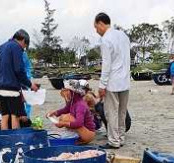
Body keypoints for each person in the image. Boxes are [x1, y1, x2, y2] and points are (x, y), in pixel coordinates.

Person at [94, 12, 131, 149]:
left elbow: (106, 65)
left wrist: (102, 85)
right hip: (125, 81)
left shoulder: (105, 40)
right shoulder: (123, 36)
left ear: (101, 23)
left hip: (113, 82)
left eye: (96, 27)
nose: (96, 30)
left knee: (111, 112)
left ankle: (114, 141)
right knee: (122, 111)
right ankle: (121, 138)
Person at [0, 29, 39, 130]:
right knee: (15, 115)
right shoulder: (16, 47)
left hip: (0, 86)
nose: (24, 48)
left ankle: (5, 140)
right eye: (25, 46)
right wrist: (30, 84)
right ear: (23, 40)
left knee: (5, 115)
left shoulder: (1, 47)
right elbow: (19, 70)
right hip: (11, 88)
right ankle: (16, 142)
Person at [47, 80, 96, 145]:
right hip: (83, 130)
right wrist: (54, 113)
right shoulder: (73, 101)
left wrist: (63, 123)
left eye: (67, 91)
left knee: (66, 118)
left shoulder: (80, 105)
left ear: (74, 92)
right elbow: (65, 110)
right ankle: (75, 137)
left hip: (88, 134)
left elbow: (79, 123)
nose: (65, 93)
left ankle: (80, 139)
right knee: (63, 117)